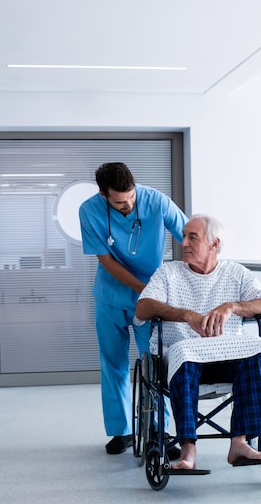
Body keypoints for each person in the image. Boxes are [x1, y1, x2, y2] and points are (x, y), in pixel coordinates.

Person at [134, 214, 261, 470]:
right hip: (183, 362)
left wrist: (232, 306)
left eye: (193, 237)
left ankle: (240, 443)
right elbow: (143, 307)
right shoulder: (169, 273)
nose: (184, 242)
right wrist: (186, 315)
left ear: (214, 243)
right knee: (185, 355)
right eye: (184, 236)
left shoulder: (236, 273)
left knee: (255, 349)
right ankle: (188, 450)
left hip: (226, 360)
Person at [79, 162, 188, 455]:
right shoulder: (89, 211)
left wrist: (199, 272)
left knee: (155, 364)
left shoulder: (156, 201)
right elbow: (106, 260)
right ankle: (121, 431)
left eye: (131, 199)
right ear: (103, 195)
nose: (127, 206)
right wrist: (145, 290)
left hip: (150, 300)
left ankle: (158, 432)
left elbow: (189, 235)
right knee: (113, 363)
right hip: (111, 296)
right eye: (119, 202)